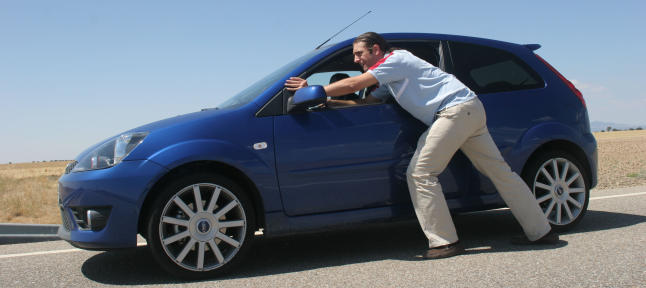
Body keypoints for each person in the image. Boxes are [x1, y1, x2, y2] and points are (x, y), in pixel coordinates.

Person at [285, 32, 558, 259]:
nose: (356, 59)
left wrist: (316, 88)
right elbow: (367, 101)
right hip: (468, 109)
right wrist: (329, 102)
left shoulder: (396, 59)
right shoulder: (389, 76)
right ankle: (541, 231)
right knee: (501, 172)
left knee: (420, 172)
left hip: (454, 111)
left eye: (359, 54)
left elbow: (356, 83)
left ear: (376, 49)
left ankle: (444, 242)